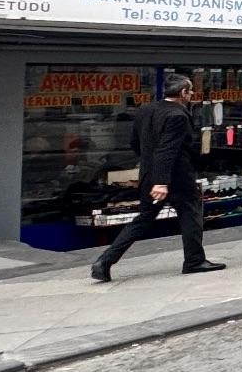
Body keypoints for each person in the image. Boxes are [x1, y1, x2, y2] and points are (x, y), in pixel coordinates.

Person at [91, 74, 225, 282]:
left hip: (147, 173)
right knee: (191, 215)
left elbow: (135, 143)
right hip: (175, 178)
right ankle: (194, 261)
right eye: (190, 92)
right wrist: (161, 182)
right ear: (183, 93)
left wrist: (150, 169)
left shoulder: (146, 110)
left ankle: (104, 261)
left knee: (143, 219)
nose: (191, 95)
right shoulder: (178, 116)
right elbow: (167, 150)